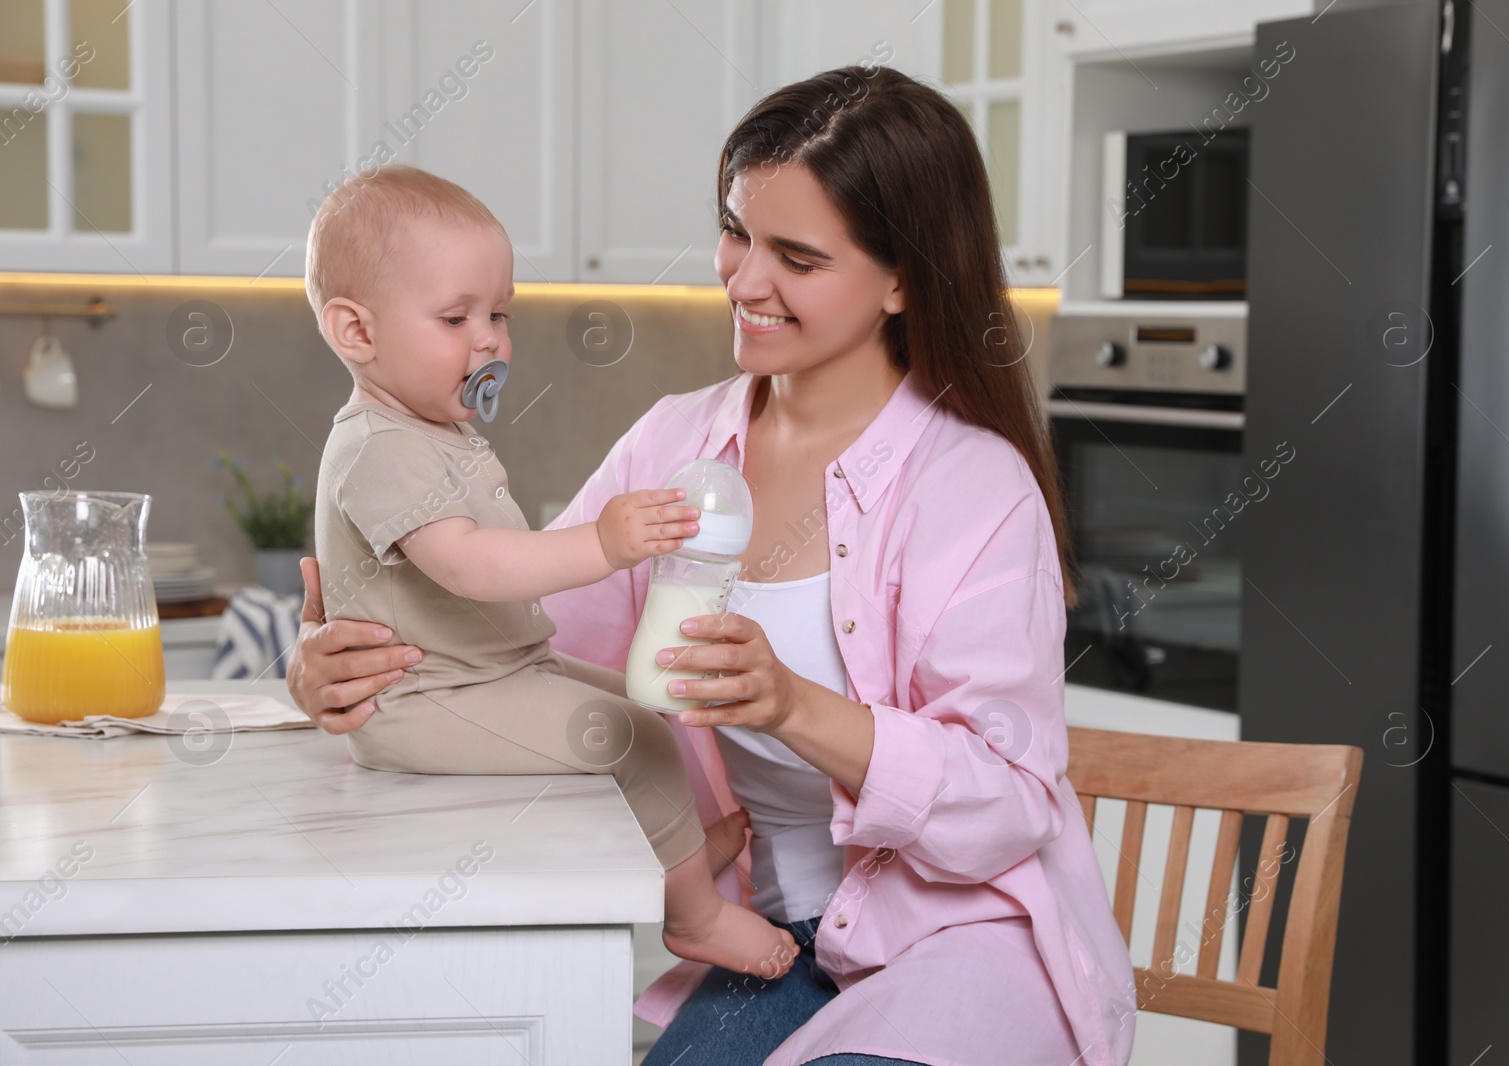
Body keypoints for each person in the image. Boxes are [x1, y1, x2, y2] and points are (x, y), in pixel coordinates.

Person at [289, 67, 1136, 1066]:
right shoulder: (675, 443)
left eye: (797, 256)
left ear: (901, 277)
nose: (740, 280)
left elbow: (1008, 802)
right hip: (776, 937)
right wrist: (345, 670)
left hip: (959, 940)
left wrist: (790, 704)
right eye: (735, 231)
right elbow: (526, 653)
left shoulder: (973, 488)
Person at [302, 163, 799, 981]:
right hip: (429, 696)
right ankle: (695, 916)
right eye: (455, 316)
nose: (491, 340)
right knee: (630, 735)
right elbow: (467, 564)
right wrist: (603, 543)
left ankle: (670, 848)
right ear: (356, 333)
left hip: (488, 671)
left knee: (632, 700)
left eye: (499, 314)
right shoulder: (378, 446)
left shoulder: (430, 430)